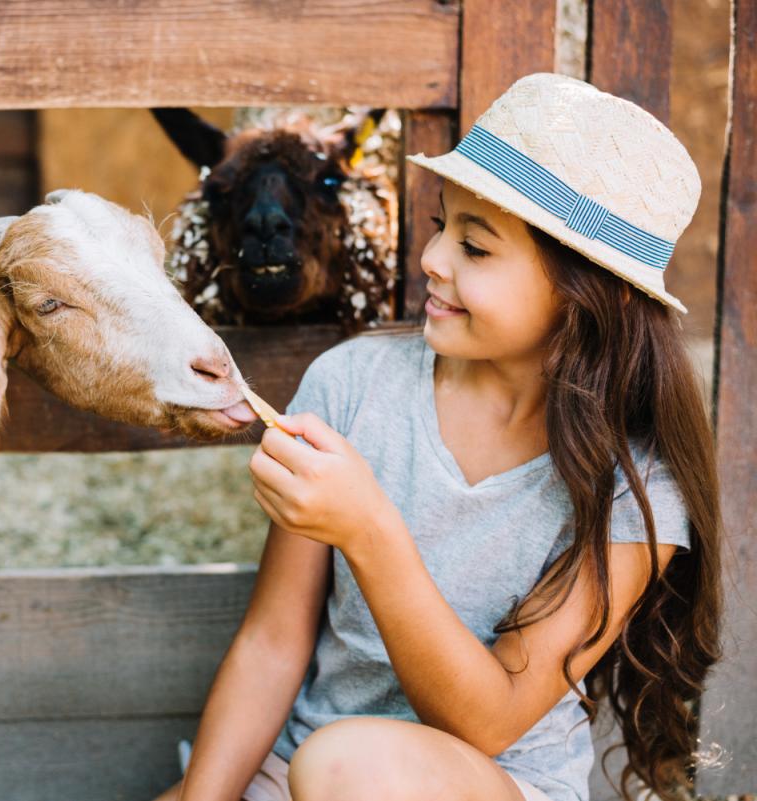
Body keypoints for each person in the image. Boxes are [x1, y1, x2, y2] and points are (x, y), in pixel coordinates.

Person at [153, 72, 723, 801]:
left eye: (476, 248)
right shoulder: (352, 385)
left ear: (590, 294)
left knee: (347, 766)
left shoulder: (638, 486)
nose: (433, 261)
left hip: (487, 780)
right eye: (441, 227)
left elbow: (489, 720)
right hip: (296, 771)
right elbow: (273, 641)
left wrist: (370, 529)